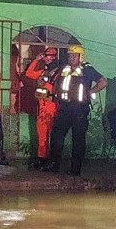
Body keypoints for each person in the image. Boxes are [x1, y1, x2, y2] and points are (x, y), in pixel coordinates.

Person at [42, 45, 108, 176]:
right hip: (64, 108)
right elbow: (52, 81)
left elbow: (103, 82)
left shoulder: (87, 69)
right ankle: (54, 165)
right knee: (56, 136)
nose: (71, 57)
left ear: (80, 57)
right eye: (70, 55)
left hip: (79, 109)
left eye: (74, 55)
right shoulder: (63, 69)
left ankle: (75, 170)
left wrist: (90, 92)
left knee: (78, 140)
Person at [25, 47, 60, 169]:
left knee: (53, 136)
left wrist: (45, 84)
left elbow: (58, 88)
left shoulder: (58, 72)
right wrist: (36, 60)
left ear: (55, 57)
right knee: (42, 135)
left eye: (51, 55)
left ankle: (52, 160)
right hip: (42, 107)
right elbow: (28, 74)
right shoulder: (43, 71)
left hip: (52, 107)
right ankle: (42, 158)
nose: (48, 58)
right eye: (46, 55)